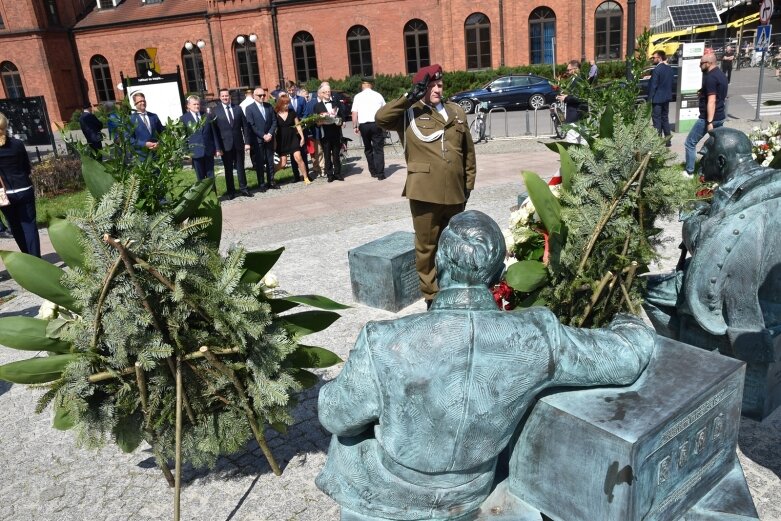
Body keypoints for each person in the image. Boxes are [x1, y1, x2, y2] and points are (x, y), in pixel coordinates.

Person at [316, 210, 655, 520]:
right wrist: (630, 320)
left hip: (393, 488)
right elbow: (626, 357)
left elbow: (335, 416)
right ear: (498, 275)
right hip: (470, 488)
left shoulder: (383, 338)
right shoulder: (537, 335)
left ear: (440, 266)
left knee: (347, 439)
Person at [375, 64, 475, 307]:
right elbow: (381, 119)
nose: (437, 89)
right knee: (427, 246)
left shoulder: (456, 112)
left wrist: (468, 185)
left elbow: (468, 153)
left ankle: (451, 285)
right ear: (421, 88)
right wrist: (410, 96)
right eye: (431, 85)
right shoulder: (409, 114)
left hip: (455, 191)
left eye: (439, 84)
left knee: (451, 243)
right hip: (424, 192)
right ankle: (431, 295)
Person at [0, 112, 41, 257]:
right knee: (29, 226)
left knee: (15, 227)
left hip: (4, 195)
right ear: (6, 125)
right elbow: (26, 167)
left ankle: (27, 259)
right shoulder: (17, 144)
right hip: (24, 188)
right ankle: (37, 260)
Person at [683, 52, 728, 177]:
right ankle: (711, 171)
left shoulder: (710, 77)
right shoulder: (721, 75)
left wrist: (709, 122)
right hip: (720, 116)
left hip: (708, 118)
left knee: (690, 143)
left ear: (709, 63)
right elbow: (718, 95)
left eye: (701, 63)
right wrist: (702, 92)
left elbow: (712, 100)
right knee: (714, 146)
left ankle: (689, 171)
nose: (699, 65)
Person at [214, 88, 252, 199]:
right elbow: (215, 131)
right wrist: (218, 147)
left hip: (238, 143)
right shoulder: (216, 111)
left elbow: (245, 126)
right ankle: (231, 191)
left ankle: (244, 189)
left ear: (229, 97)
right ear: (220, 97)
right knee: (228, 169)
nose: (225, 98)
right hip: (225, 145)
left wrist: (247, 142)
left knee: (241, 167)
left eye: (227, 96)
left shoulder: (238, 108)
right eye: (223, 96)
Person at [351, 75, 387, 180]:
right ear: (371, 85)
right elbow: (385, 110)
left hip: (364, 126)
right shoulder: (378, 95)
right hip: (376, 124)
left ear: (363, 85)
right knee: (379, 149)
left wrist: (355, 126)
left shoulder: (358, 96)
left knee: (368, 149)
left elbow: (354, 113)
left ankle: (373, 171)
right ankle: (380, 174)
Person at [179, 95, 222, 182]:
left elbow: (214, 133)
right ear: (188, 105)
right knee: (200, 178)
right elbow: (183, 138)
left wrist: (217, 148)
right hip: (195, 153)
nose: (197, 106)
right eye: (194, 104)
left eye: (198, 104)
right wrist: (186, 152)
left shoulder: (207, 116)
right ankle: (203, 195)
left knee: (211, 176)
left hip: (208, 151)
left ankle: (213, 194)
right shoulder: (184, 119)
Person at [245, 87, 279, 192]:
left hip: (269, 138)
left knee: (270, 161)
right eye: (260, 95)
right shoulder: (249, 108)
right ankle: (261, 184)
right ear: (254, 96)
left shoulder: (269, 106)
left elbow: (274, 121)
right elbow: (251, 125)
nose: (262, 97)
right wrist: (263, 135)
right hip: (258, 140)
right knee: (259, 163)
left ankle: (271, 181)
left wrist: (269, 134)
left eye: (264, 95)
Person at [273, 92, 310, 184]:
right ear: (280, 104)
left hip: (293, 138)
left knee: (298, 157)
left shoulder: (292, 112)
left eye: (288, 103)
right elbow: (273, 128)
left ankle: (305, 178)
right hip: (281, 139)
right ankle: (271, 175)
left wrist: (302, 137)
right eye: (285, 104)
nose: (287, 105)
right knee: (283, 163)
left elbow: (298, 125)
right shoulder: (275, 114)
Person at [314, 84, 347, 182]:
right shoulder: (317, 106)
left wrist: (341, 122)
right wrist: (321, 121)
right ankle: (330, 175)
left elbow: (341, 115)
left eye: (329, 92)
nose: (328, 93)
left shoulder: (335, 103)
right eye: (326, 92)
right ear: (322, 94)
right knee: (327, 155)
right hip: (325, 134)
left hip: (336, 132)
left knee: (336, 154)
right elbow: (316, 121)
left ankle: (338, 173)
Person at [556, 60, 587, 143]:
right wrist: (566, 94)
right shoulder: (577, 79)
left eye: (569, 70)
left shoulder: (579, 79)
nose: (568, 72)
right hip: (579, 115)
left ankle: (573, 156)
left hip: (575, 114)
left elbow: (580, 97)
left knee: (572, 141)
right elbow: (576, 94)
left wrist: (565, 98)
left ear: (575, 69)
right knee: (582, 140)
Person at [648, 50, 674, 147]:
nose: (653, 59)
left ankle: (657, 142)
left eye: (654, 57)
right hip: (666, 97)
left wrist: (649, 99)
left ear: (659, 58)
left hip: (657, 99)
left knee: (657, 120)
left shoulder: (657, 70)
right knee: (665, 118)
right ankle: (668, 141)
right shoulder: (670, 69)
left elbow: (653, 86)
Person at [285, 81, 309, 183]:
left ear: (295, 88)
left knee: (303, 153)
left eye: (293, 89)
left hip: (301, 129)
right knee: (293, 154)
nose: (291, 91)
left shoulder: (301, 99)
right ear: (287, 90)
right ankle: (296, 176)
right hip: (290, 131)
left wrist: (301, 122)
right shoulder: (285, 100)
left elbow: (305, 112)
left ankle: (306, 175)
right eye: (289, 90)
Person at [129, 92, 164, 160]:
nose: (143, 103)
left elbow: (162, 132)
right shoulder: (131, 119)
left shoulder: (153, 116)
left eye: (144, 100)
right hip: (141, 155)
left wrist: (158, 143)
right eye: (140, 101)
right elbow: (129, 139)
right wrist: (144, 144)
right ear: (134, 103)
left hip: (156, 154)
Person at [302, 85, 325, 178]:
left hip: (328, 130)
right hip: (316, 130)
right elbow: (307, 116)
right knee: (318, 151)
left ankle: (324, 168)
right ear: (319, 94)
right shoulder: (311, 104)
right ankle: (320, 169)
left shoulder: (328, 102)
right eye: (323, 93)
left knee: (324, 150)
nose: (326, 94)